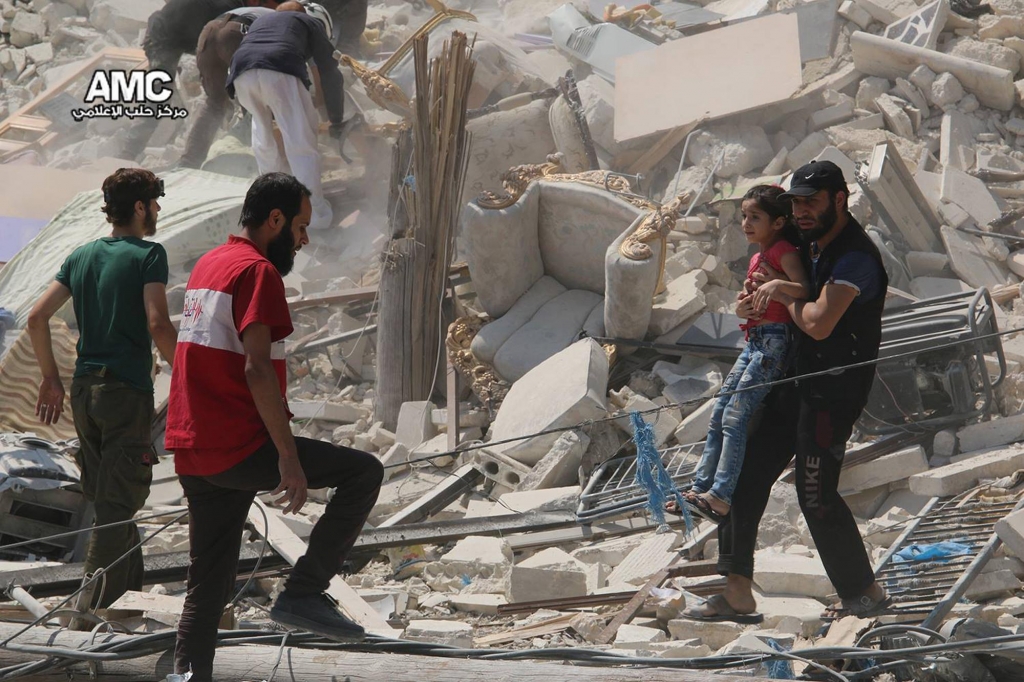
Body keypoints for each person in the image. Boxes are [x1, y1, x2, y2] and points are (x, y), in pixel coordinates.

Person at [166, 173, 383, 682]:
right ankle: (304, 593)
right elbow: (257, 368)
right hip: (237, 445)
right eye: (301, 227)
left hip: (194, 449)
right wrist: (288, 459)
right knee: (363, 473)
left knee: (208, 581)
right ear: (276, 220)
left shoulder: (208, 264)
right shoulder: (258, 271)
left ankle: (187, 674)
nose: (304, 240)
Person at [681, 160, 891, 624]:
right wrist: (759, 293)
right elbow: (773, 283)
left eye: (811, 202)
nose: (802, 211)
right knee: (743, 475)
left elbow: (818, 324)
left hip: (830, 394)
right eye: (796, 202)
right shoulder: (806, 244)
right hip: (789, 381)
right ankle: (737, 593)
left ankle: (865, 594)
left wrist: (782, 293)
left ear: (840, 199)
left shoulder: (854, 256)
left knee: (815, 494)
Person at [26, 168, 178, 609]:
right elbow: (157, 323)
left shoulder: (81, 256)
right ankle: (86, 611)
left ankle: (124, 598)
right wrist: (188, 374)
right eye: (153, 203)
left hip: (83, 391)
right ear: (138, 207)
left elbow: (36, 318)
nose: (157, 211)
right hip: (124, 394)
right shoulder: (149, 255)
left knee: (109, 496)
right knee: (117, 502)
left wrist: (51, 377)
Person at [679, 185, 808, 524]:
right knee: (720, 410)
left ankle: (720, 497)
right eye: (744, 217)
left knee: (736, 415)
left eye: (755, 217)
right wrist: (742, 307)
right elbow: (747, 302)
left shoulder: (784, 251)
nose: (746, 223)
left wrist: (777, 283)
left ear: (778, 222)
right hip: (753, 339)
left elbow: (807, 290)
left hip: (774, 342)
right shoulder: (756, 257)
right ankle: (699, 489)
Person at [227, 2, 344, 230]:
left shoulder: (261, 22)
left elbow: (250, 52)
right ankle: (314, 216)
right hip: (279, 67)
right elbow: (329, 69)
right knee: (301, 143)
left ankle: (270, 210)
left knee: (263, 139)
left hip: (240, 72)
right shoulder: (309, 22)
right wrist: (337, 118)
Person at [121, 0, 282, 162]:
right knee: (159, 97)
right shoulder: (232, 8)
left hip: (187, 33)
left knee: (218, 100)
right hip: (164, 36)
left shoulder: (233, 7)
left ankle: (190, 160)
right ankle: (128, 152)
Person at [179, 4, 279, 168]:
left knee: (214, 103)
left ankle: (189, 162)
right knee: (259, 102)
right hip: (237, 33)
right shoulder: (296, 24)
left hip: (210, 30)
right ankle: (257, 160)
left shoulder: (272, 15)